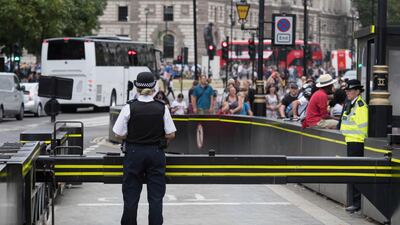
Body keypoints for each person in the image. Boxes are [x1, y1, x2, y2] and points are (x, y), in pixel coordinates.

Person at [112, 72, 177, 225]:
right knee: (155, 198)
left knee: (131, 196)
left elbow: (118, 133)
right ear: (154, 87)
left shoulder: (129, 107)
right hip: (155, 153)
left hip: (134, 153)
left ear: (136, 87)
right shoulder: (162, 107)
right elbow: (171, 134)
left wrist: (131, 136)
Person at [340, 79, 368, 213]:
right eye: (346, 90)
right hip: (350, 141)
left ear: (357, 91)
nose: (347, 92)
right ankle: (353, 202)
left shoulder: (361, 106)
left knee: (356, 173)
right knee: (352, 172)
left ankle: (356, 203)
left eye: (350, 90)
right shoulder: (350, 104)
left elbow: (363, 128)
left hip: (357, 143)